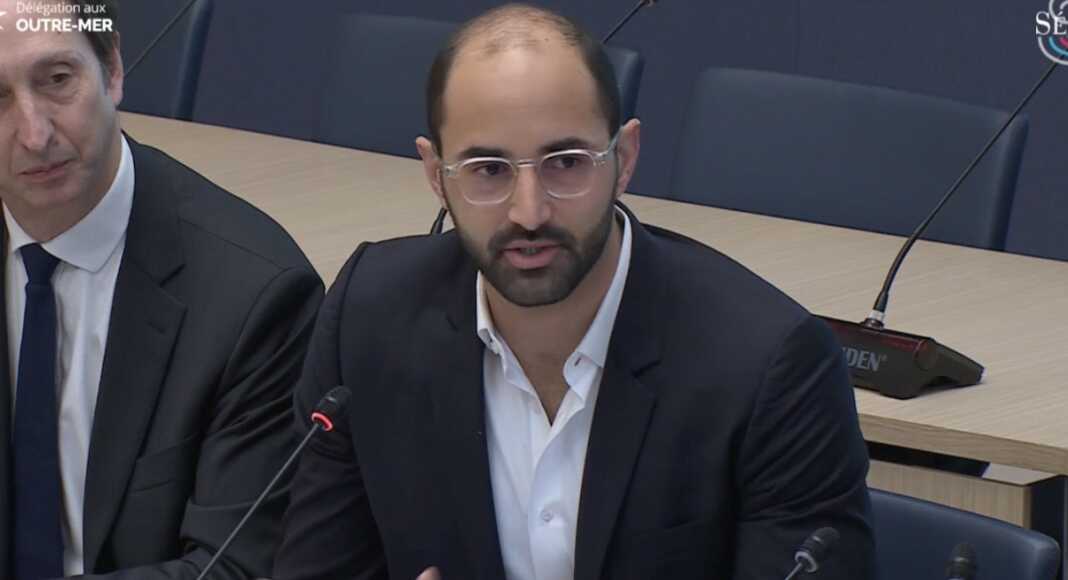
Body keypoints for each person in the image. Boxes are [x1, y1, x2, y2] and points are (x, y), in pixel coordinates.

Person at [274, 4, 874, 579]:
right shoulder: (370, 319)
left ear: (625, 159)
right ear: (436, 176)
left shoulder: (766, 366)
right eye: (488, 170)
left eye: (565, 163)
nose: (529, 212)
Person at [0, 0, 323, 577]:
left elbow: (234, 567)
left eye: (57, 80)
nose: (34, 133)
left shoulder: (255, 297)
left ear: (113, 70)